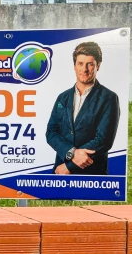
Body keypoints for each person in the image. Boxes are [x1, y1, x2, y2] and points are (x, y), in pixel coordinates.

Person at [45, 41, 120, 176]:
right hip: (60, 171)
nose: (84, 69)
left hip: (92, 174)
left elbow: (103, 140)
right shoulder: (62, 97)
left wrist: (70, 166)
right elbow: (51, 132)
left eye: (90, 64)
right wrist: (71, 152)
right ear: (74, 66)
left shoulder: (109, 98)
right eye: (80, 63)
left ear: (98, 66)